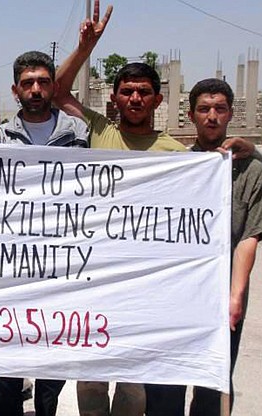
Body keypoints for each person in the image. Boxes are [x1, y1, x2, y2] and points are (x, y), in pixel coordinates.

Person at [52, 3, 256, 415]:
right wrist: (84, 47)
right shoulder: (99, 130)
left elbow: (199, 209)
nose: (135, 98)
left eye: (144, 91)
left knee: (135, 383)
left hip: (144, 288)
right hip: (95, 279)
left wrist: (251, 148)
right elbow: (57, 93)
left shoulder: (175, 153)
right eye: (127, 91)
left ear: (157, 98)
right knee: (90, 378)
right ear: (114, 98)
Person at [142, 79, 262, 416]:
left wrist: (235, 296)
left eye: (220, 109)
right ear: (191, 115)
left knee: (213, 386)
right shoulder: (176, 165)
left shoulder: (252, 170)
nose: (212, 117)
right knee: (165, 383)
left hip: (223, 295)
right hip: (174, 294)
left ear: (230, 114)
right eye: (204, 109)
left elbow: (249, 238)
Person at [0, 50, 89, 416]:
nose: (35, 89)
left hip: (62, 267)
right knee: (6, 371)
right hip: (10, 269)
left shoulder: (79, 134)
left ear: (53, 87)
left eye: (43, 82)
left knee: (52, 369)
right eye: (28, 83)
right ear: (16, 90)